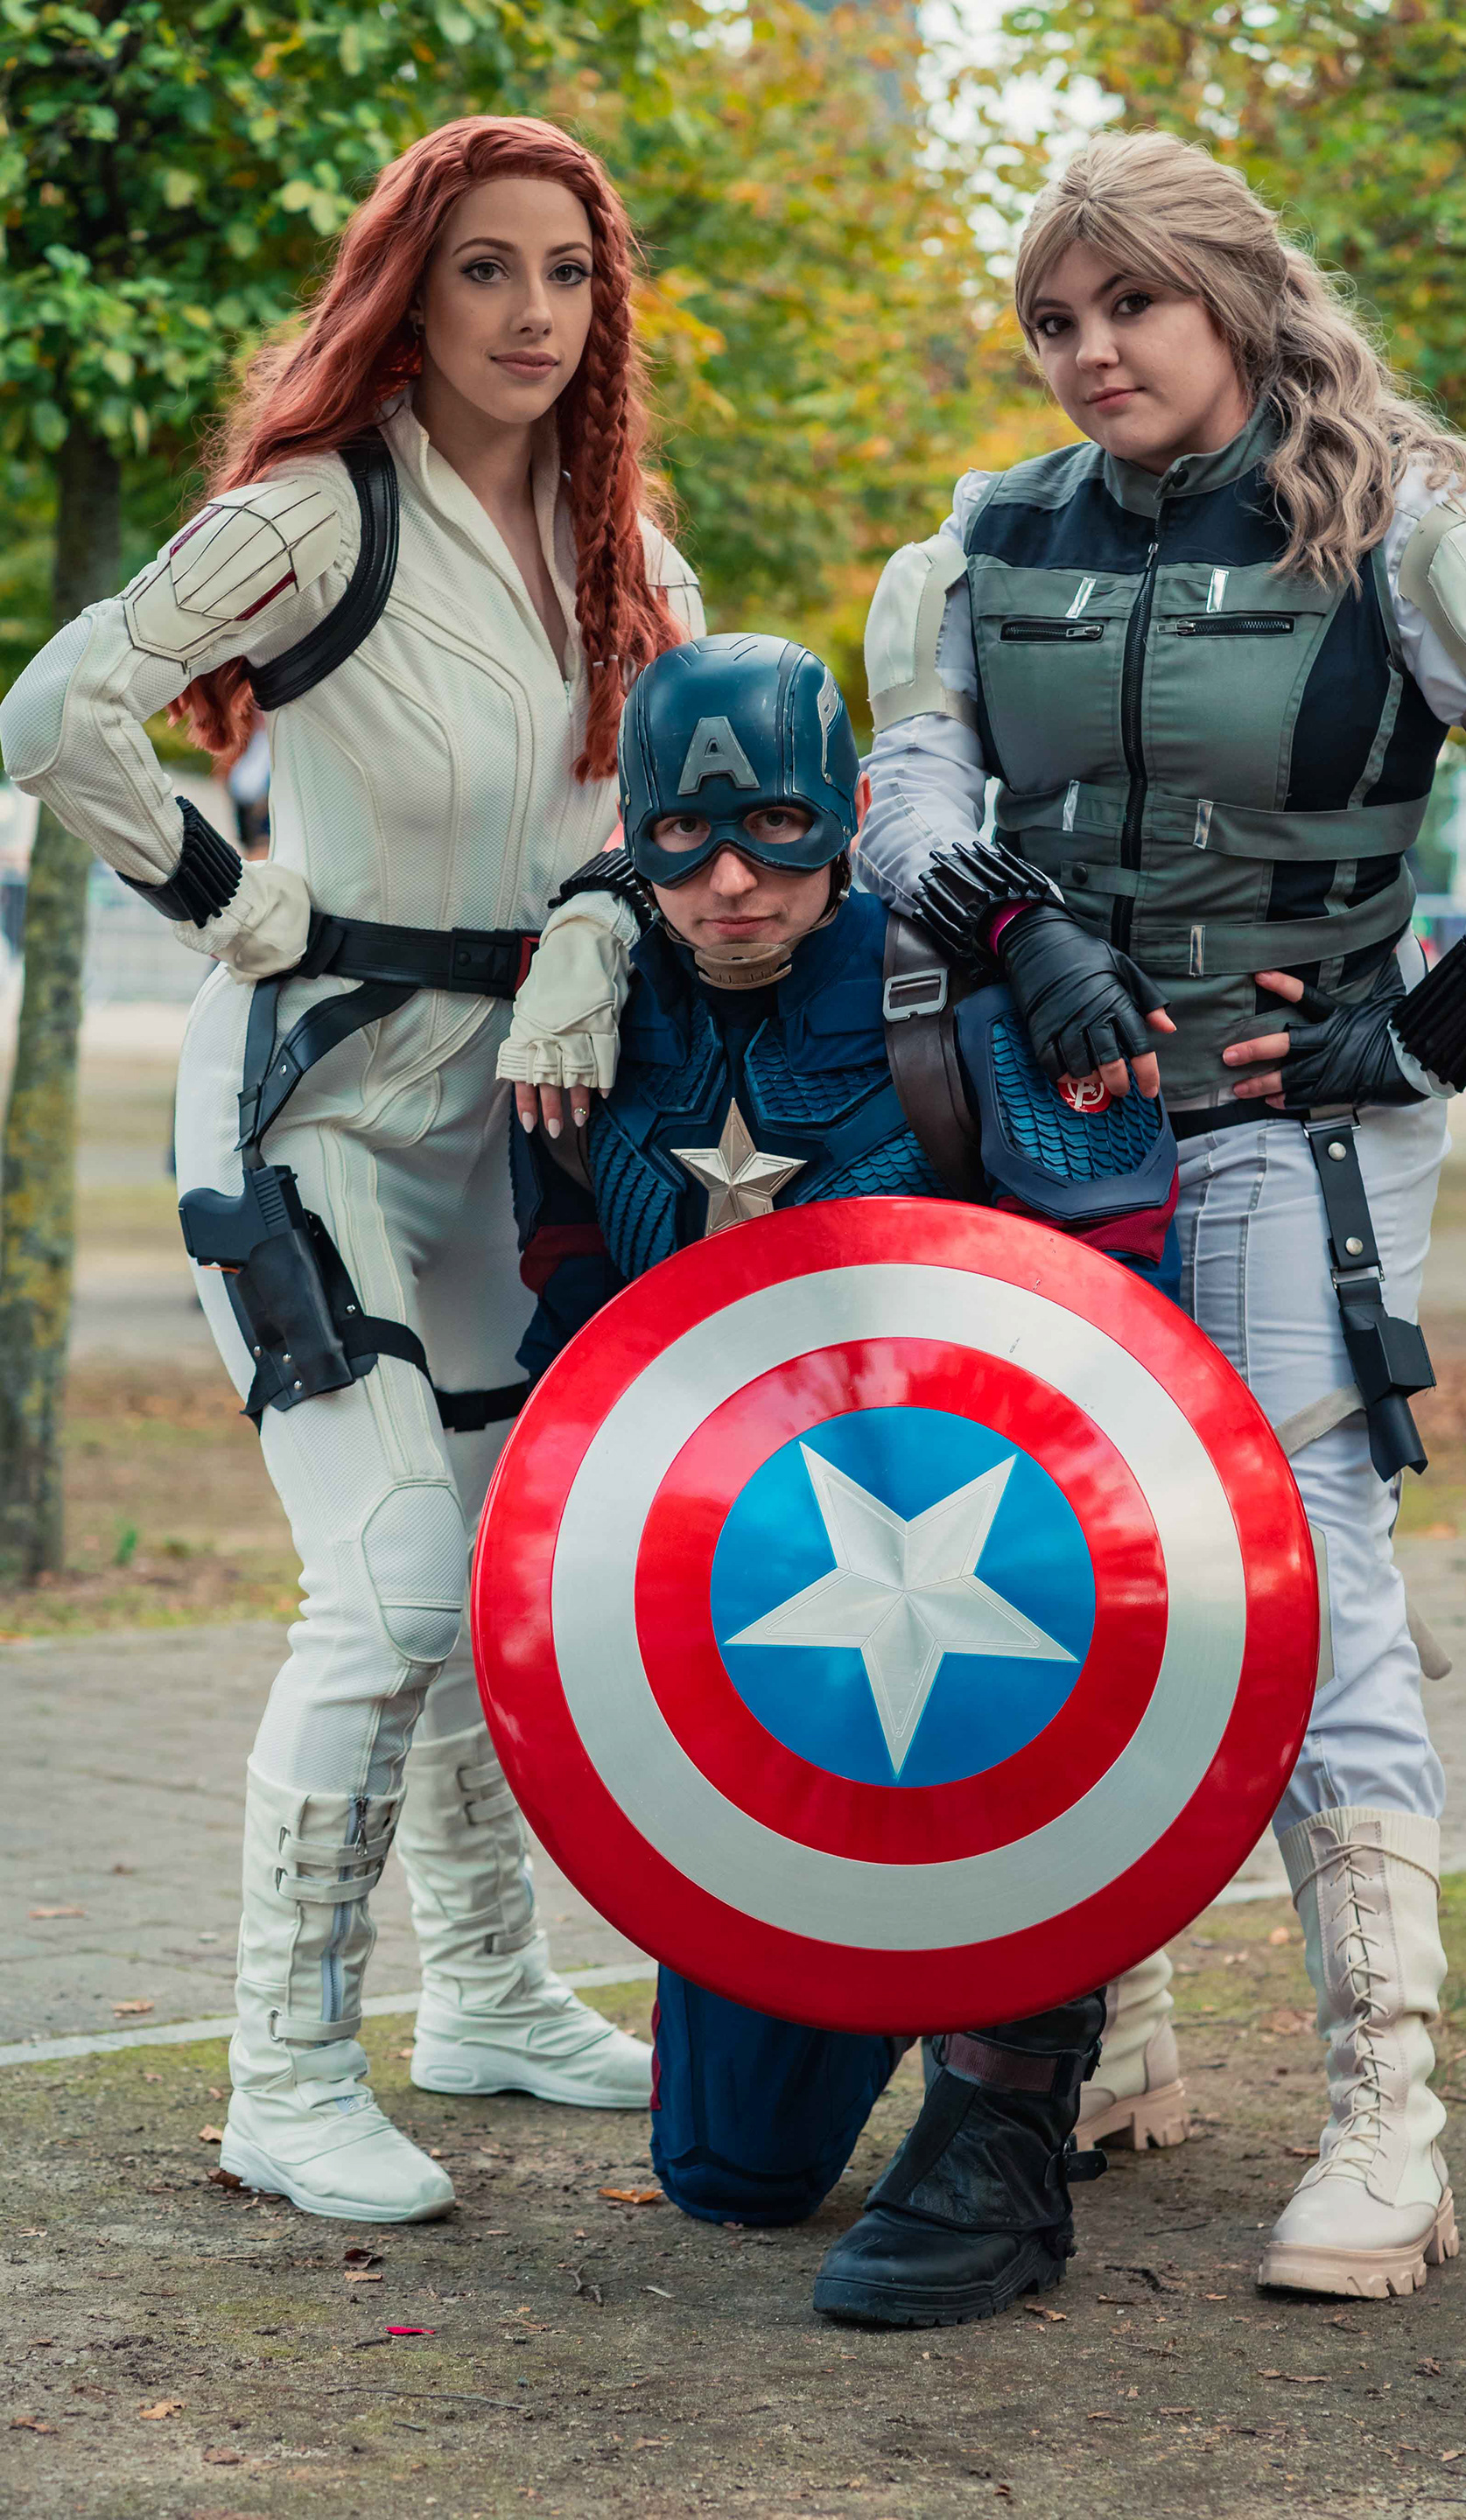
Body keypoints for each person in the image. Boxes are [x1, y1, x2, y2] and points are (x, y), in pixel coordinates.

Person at [853, 130, 1466, 2300]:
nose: (1090, 351)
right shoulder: (985, 534)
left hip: (1289, 1132)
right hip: (1045, 1124)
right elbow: (906, 775)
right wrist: (1007, 918)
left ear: (1230, 296)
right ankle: (1113, 2032)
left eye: (1131, 303)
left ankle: (1390, 2118)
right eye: (1055, 318)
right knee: (1067, 1563)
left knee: (1302, 1582)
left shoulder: (1416, 528)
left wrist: (1425, 1033)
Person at [0, 115, 704, 2225]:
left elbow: (672, 815)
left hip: (514, 1124)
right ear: (410, 288)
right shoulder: (311, 514)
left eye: (568, 273)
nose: (532, 313)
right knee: (390, 1577)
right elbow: (52, 713)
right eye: (486, 267)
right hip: (307, 1106)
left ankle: (482, 1991)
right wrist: (225, 895)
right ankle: (285, 2077)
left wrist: (601, 940)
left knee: (489, 1577)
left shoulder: (624, 546)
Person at [511, 630, 1188, 2326]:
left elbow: (1131, 1372)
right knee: (728, 2175)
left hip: (996, 1577)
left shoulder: (963, 1005)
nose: (733, 881)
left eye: (780, 829)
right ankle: (909, 1976)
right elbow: (579, 1351)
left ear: (850, 813)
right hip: (752, 1610)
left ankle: (1017, 2068)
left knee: (1019, 1662)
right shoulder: (590, 1022)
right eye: (685, 840)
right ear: (635, 837)